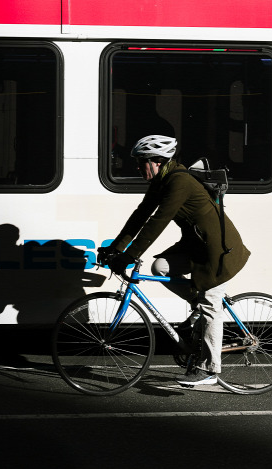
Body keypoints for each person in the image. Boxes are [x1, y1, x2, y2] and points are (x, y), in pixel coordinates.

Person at [97, 134, 250, 386]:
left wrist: (129, 256)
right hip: (195, 245)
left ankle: (209, 369)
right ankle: (196, 305)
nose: (137, 167)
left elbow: (157, 223)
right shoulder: (162, 181)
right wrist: (115, 248)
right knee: (160, 267)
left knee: (210, 304)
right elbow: (140, 216)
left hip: (218, 249)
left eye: (141, 161)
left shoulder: (179, 181)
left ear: (157, 160)